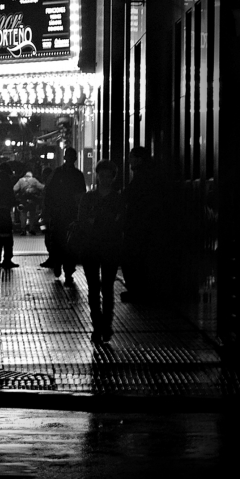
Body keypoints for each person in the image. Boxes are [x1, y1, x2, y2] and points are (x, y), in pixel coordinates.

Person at [76, 160, 126, 343]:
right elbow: (84, 221)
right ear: (97, 176)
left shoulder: (113, 199)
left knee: (105, 288)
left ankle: (105, 325)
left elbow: (117, 222)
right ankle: (100, 326)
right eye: (102, 175)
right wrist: (105, 222)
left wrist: (95, 221)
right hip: (96, 246)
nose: (104, 179)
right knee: (96, 288)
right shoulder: (95, 198)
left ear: (113, 177)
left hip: (105, 247)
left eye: (108, 176)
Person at [121, 146, 165, 303]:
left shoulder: (142, 177)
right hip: (146, 226)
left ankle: (137, 291)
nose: (129, 160)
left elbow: (131, 196)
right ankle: (139, 291)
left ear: (139, 159)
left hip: (139, 226)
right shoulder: (151, 176)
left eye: (132, 157)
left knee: (133, 258)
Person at [43, 147, 87, 285]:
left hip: (62, 213)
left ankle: (62, 267)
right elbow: (81, 196)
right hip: (66, 213)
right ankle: (66, 270)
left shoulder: (58, 173)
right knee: (67, 243)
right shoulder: (76, 175)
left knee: (61, 242)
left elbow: (48, 192)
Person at [13, 171, 46, 235]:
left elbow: (14, 189)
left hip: (23, 200)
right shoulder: (34, 180)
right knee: (32, 215)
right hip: (32, 200)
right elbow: (42, 187)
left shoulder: (20, 180)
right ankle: (31, 229)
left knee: (23, 214)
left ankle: (23, 229)